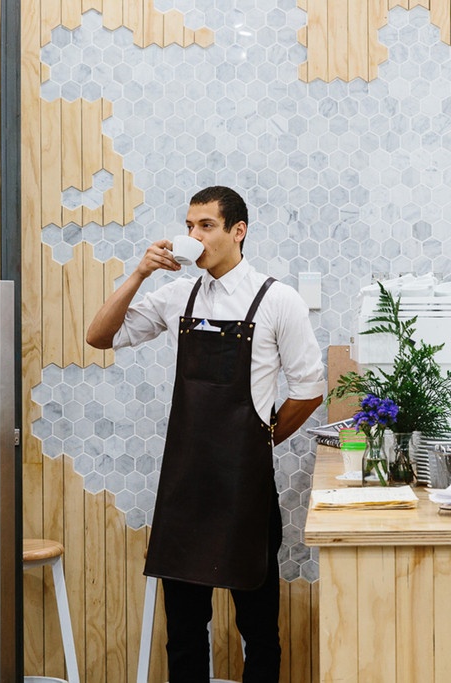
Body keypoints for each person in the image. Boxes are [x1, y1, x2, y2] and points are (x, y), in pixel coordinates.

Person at [86, 186, 325, 682]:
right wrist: (140, 272)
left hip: (245, 490)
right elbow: (99, 336)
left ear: (238, 231)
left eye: (206, 226)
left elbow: (309, 391)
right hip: (185, 492)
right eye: (189, 226)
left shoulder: (277, 300)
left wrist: (260, 440)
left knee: (258, 629)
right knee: (184, 632)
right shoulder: (179, 296)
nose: (194, 236)